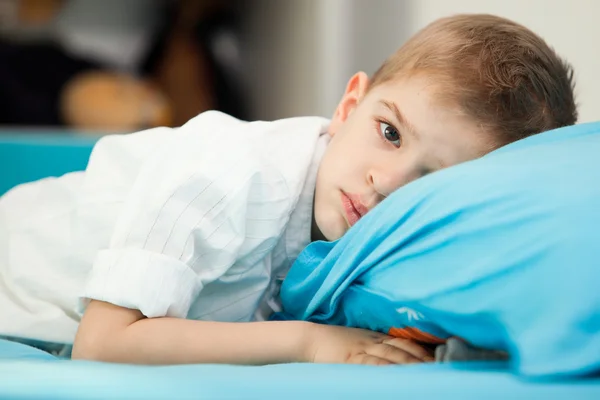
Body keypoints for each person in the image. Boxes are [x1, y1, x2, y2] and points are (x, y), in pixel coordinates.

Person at [0, 14, 577, 366]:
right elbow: (106, 344)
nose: (388, 183)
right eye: (390, 132)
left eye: (435, 183)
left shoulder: (390, 243)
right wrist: (307, 343)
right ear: (350, 104)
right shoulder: (234, 172)